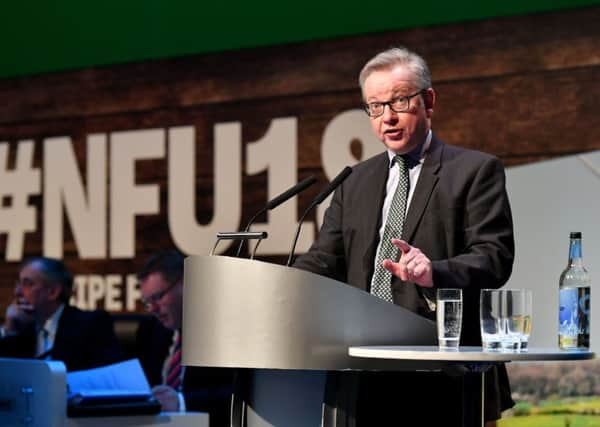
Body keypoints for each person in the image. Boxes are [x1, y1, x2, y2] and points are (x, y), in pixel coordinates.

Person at [293, 46, 515, 426]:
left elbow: (494, 257)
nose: (387, 117)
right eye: (375, 107)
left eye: (399, 101)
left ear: (428, 101)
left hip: (444, 372)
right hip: (363, 371)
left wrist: (435, 272)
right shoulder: (354, 181)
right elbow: (324, 260)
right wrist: (282, 282)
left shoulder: (474, 171)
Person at [136, 249, 234, 426]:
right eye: (147, 302)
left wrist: (181, 402)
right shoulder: (152, 330)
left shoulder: (225, 329)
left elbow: (237, 396)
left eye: (158, 297)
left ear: (185, 284)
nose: (152, 308)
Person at [0, 257, 123, 371]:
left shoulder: (91, 324)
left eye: (28, 284)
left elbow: (105, 376)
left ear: (53, 292)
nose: (17, 292)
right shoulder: (21, 328)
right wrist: (10, 329)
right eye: (18, 284)